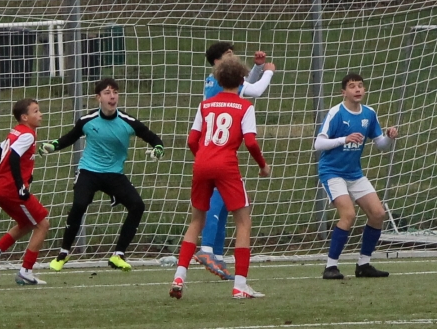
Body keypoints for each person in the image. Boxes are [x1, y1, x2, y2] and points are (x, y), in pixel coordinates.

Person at [171, 56, 271, 300]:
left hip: (201, 164)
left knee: (196, 220)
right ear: (242, 80)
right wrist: (263, 165)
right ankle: (240, 285)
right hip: (226, 166)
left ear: (218, 79)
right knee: (243, 222)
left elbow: (192, 140)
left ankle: (179, 277)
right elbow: (251, 142)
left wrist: (204, 159)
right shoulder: (245, 107)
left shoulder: (205, 105)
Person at [40, 78, 164, 272]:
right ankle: (63, 253)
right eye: (107, 93)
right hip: (89, 171)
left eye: (115, 92)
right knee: (79, 205)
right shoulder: (87, 120)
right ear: (98, 98)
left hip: (114, 174)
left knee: (137, 206)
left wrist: (158, 149)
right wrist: (53, 146)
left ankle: (118, 255)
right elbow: (70, 137)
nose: (112, 97)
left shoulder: (127, 121)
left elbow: (153, 138)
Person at [195, 42, 275, 278]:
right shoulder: (220, 83)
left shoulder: (216, 81)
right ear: (217, 61)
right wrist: (268, 71)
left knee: (223, 204)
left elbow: (241, 85)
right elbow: (254, 90)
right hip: (219, 152)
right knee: (218, 201)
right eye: (229, 54)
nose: (235, 57)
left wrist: (257, 68)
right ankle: (206, 249)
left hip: (212, 147)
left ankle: (217, 256)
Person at [314, 72, 399, 279]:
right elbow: (318, 143)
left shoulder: (369, 113)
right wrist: (344, 139)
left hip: (354, 173)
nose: (357, 89)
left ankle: (364, 264)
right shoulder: (336, 113)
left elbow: (380, 145)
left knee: (378, 214)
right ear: (343, 92)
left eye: (360, 85)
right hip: (332, 172)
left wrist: (388, 137)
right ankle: (330, 267)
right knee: (348, 215)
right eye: (352, 86)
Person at [0, 98, 50, 286]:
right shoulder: (28, 135)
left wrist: (25, 174)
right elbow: (13, 157)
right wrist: (20, 185)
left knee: (27, 223)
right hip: (11, 188)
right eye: (36, 111)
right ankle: (25, 272)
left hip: (0, 187)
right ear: (24, 117)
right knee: (42, 224)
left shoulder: (15, 131)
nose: (40, 114)